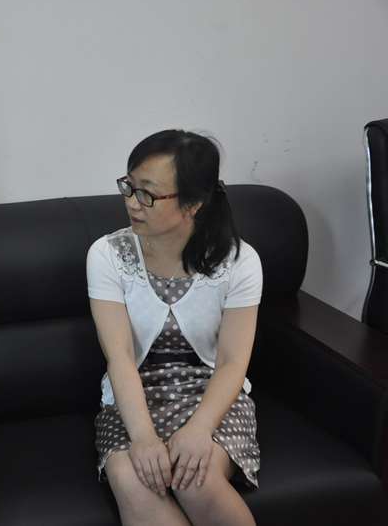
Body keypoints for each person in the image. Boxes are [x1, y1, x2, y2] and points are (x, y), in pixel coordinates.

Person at [87, 130, 261, 526]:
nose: (132, 202)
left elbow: (233, 362)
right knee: (133, 481)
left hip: (211, 395)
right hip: (133, 398)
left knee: (194, 479)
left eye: (147, 194)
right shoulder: (107, 255)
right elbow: (120, 357)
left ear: (193, 204)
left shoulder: (239, 261)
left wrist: (200, 429)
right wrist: (143, 438)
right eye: (129, 187)